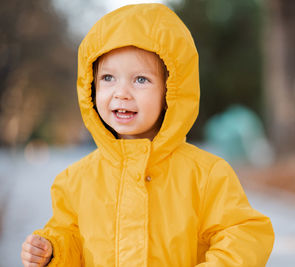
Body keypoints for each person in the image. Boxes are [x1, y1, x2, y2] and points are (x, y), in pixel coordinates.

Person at [20, 4, 274, 266]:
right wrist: (53, 250)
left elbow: (244, 233)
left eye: (140, 80)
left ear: (171, 90)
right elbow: (70, 236)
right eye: (108, 77)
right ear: (90, 85)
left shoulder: (206, 176)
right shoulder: (74, 181)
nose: (121, 93)